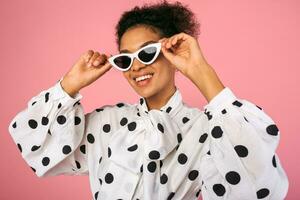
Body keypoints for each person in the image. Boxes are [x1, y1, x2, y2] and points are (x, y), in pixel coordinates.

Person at [8, 0, 289, 199]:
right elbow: (36, 150)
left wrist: (200, 70)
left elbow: (259, 185)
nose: (136, 66)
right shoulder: (107, 122)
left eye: (146, 53)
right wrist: (70, 83)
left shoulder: (205, 130)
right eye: (125, 59)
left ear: (172, 53)